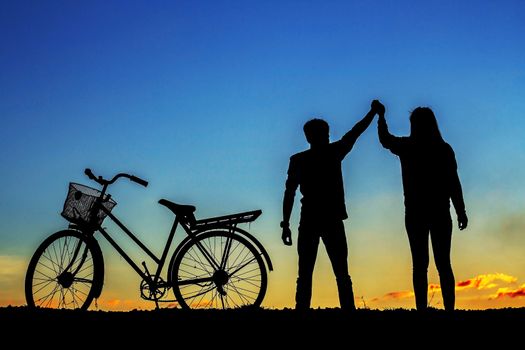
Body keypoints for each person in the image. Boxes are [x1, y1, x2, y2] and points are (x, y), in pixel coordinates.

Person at [280, 100, 380, 311]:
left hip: (310, 219)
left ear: (307, 137)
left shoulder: (299, 160)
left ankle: (303, 310)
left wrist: (286, 223)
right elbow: (355, 132)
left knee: (307, 272)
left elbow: (289, 192)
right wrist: (372, 113)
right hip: (330, 219)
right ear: (324, 134)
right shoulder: (334, 152)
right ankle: (347, 310)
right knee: (339, 272)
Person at [376, 102, 468, 311]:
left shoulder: (408, 147)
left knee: (420, 265)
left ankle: (422, 310)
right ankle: (448, 310)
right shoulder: (443, 149)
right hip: (439, 212)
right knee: (443, 264)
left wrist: (381, 116)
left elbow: (385, 140)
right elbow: (454, 182)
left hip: (417, 213)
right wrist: (460, 210)